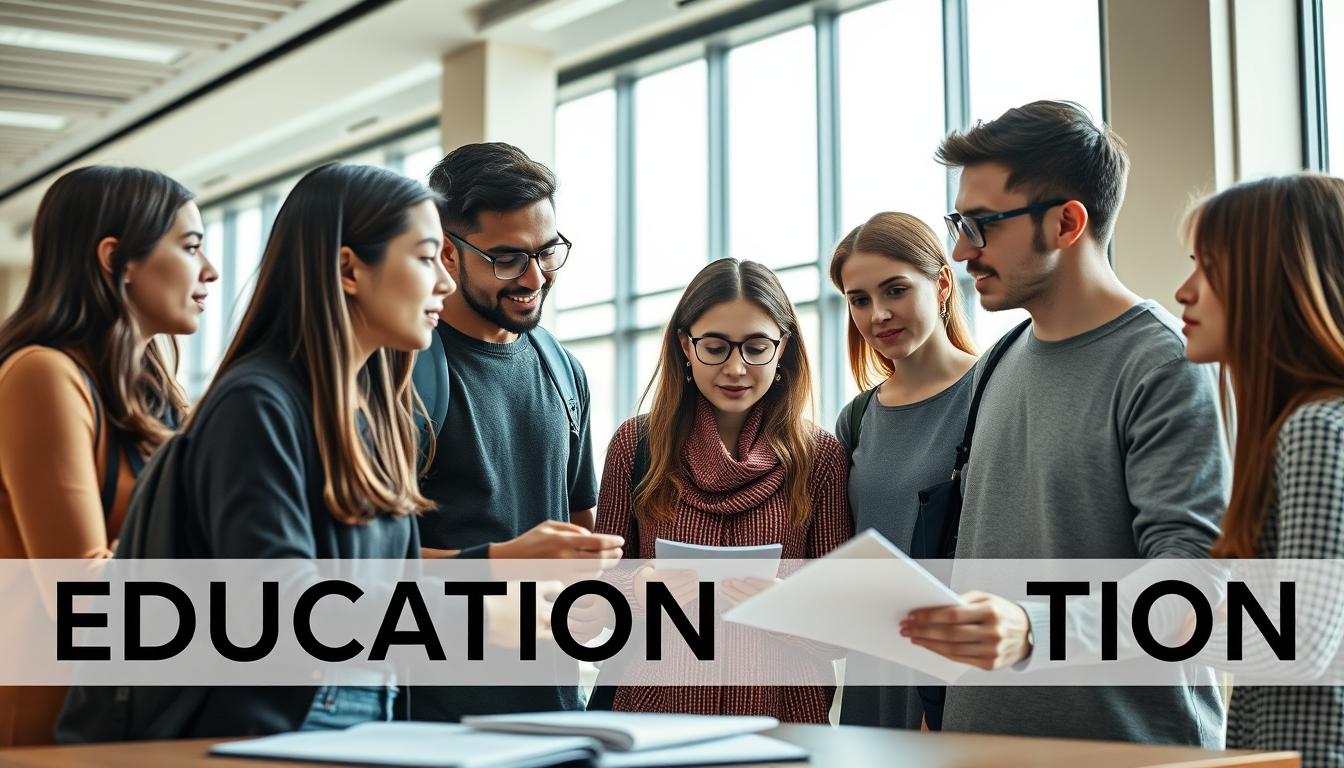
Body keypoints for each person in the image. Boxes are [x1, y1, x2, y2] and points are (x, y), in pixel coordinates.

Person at [58, 163, 542, 740]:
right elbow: (281, 607)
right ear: (348, 270)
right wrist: (478, 614)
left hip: (366, 720)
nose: (443, 283)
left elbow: (392, 582)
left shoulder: (373, 410)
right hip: (262, 733)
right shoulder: (256, 403)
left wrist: (498, 570)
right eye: (422, 258)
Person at [899, 100, 1229, 745]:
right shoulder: (1000, 360)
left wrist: (1031, 629)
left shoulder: (1163, 364)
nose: (962, 249)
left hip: (1130, 751)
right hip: (981, 746)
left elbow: (1196, 589)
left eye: (982, 224)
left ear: (1067, 222)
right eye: (957, 223)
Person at [0, 165, 216, 746]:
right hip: (50, 726)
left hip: (135, 713)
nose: (210, 272)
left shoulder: (151, 389)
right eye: (191, 246)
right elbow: (86, 599)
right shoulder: (42, 373)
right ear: (115, 258)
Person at [411, 142, 621, 720]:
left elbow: (580, 533)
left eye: (547, 252)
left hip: (553, 709)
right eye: (506, 258)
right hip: (430, 720)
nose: (534, 277)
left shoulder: (563, 369)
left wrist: (597, 599)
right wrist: (500, 563)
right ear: (449, 256)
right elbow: (366, 565)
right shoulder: (403, 373)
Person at [593, 257, 852, 722]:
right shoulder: (636, 444)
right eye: (715, 347)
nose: (735, 368)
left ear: (783, 348)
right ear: (685, 347)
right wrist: (640, 588)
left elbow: (841, 630)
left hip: (782, 723)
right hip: (654, 720)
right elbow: (593, 602)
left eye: (756, 347)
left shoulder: (821, 457)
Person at [1177, 173, 1344, 767]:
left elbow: (1297, 634)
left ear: (1273, 282)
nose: (1184, 291)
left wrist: (1087, 624)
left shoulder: (1315, 429)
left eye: (1209, 269)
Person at [829, 212, 977, 731]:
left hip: (956, 675)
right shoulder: (858, 417)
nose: (878, 315)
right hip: (874, 672)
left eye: (895, 290)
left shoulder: (991, 393)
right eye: (859, 299)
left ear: (940, 284)